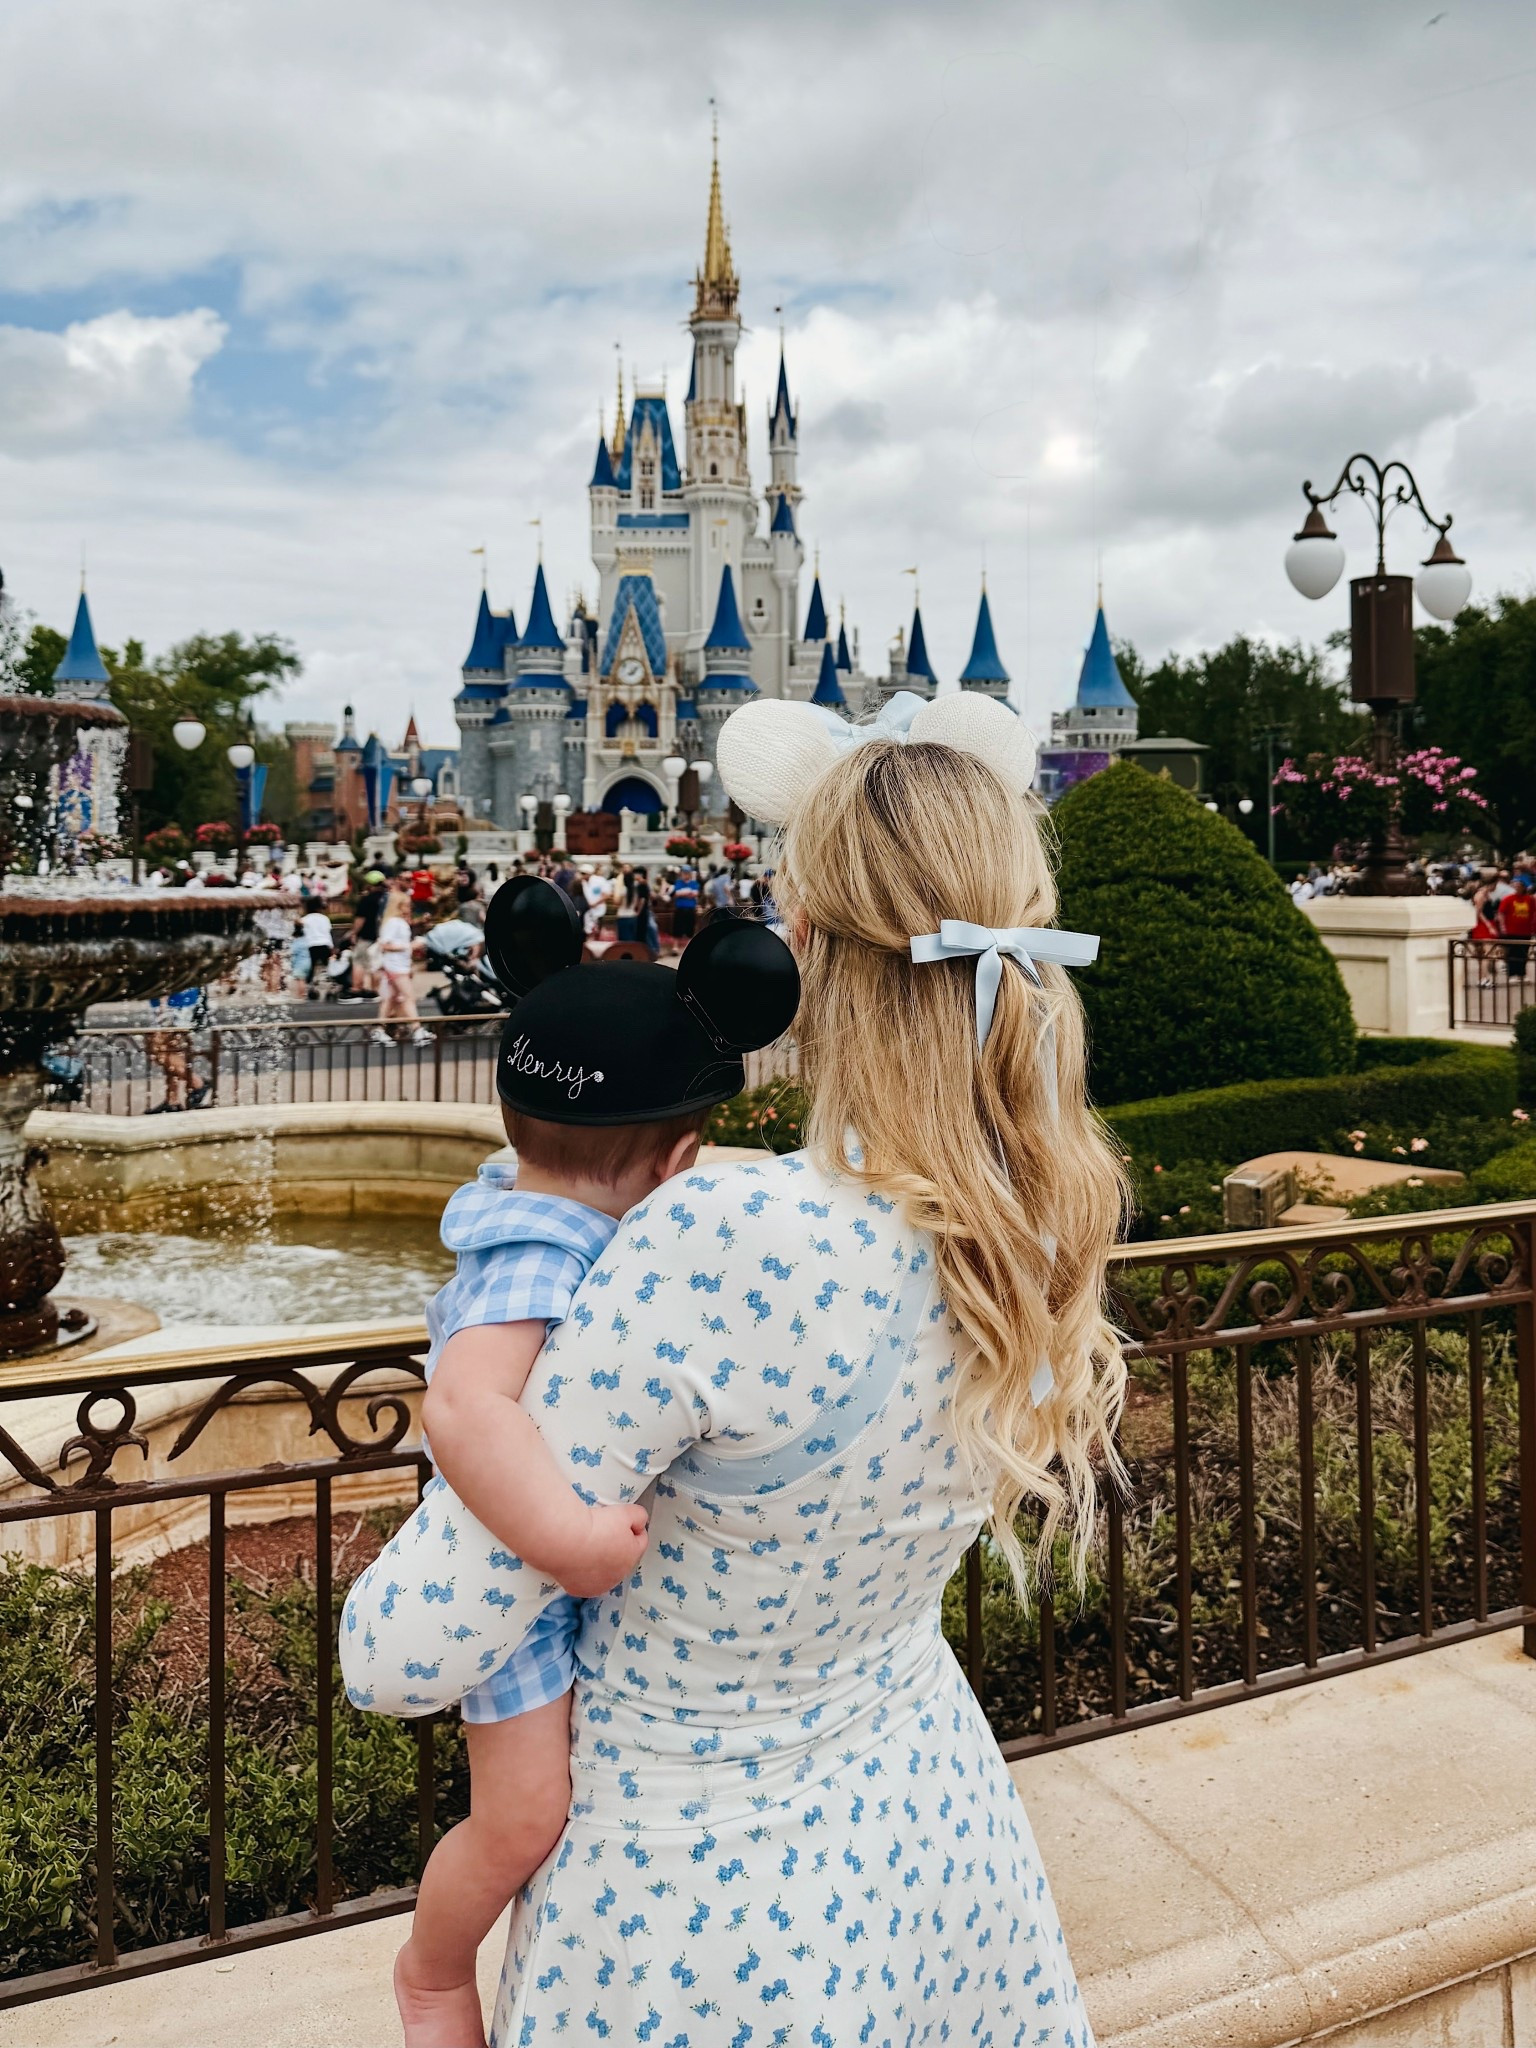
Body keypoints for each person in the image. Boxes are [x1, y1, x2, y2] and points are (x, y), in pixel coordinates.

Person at [344, 694, 1121, 2046]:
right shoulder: (1034, 1223)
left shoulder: (730, 1235)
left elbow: (406, 1648)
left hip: (701, 1911)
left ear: (805, 943)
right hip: (933, 1840)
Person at [342, 878, 798, 2048]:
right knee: (521, 1816)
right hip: (514, 1588)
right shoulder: (541, 1263)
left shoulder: (539, 1206)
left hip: (545, 1562)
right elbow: (462, 1405)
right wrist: (571, 1538)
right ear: (676, 1158)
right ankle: (433, 1972)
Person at [372, 885, 433, 1046]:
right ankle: (417, 1030)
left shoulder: (397, 922)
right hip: (396, 966)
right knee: (408, 997)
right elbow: (385, 945)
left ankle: (380, 1030)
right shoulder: (394, 922)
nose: (410, 908)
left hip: (398, 965)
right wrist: (410, 946)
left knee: (390, 999)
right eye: (407, 905)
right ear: (399, 906)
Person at [351, 869, 387, 993]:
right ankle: (375, 990)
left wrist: (354, 933)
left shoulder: (366, 900)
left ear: (369, 884)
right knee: (377, 964)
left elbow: (360, 920)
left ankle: (356, 988)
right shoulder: (387, 899)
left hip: (366, 936)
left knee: (359, 961)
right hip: (383, 937)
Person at [1498, 870, 1534, 984]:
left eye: (1519, 886)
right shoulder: (1508, 899)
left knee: (1523, 954)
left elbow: (1533, 913)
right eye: (1515, 886)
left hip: (1525, 931)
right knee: (1512, 954)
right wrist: (1503, 927)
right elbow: (1501, 913)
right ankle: (1512, 974)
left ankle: (1522, 974)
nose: (1517, 888)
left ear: (1523, 887)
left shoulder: (1530, 899)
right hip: (1511, 931)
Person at [299, 904, 334, 1000]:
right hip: (324, 944)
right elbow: (328, 933)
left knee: (310, 968)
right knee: (327, 968)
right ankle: (330, 987)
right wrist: (331, 947)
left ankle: (310, 988)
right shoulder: (324, 918)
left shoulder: (305, 919)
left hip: (311, 945)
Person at [669, 860, 698, 939]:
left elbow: (695, 894)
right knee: (677, 931)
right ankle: (676, 944)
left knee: (690, 931)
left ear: (690, 874)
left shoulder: (693, 883)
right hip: (680, 909)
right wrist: (688, 892)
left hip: (690, 909)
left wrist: (683, 893)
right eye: (684, 872)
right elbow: (677, 893)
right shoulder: (678, 882)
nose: (685, 874)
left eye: (687, 873)